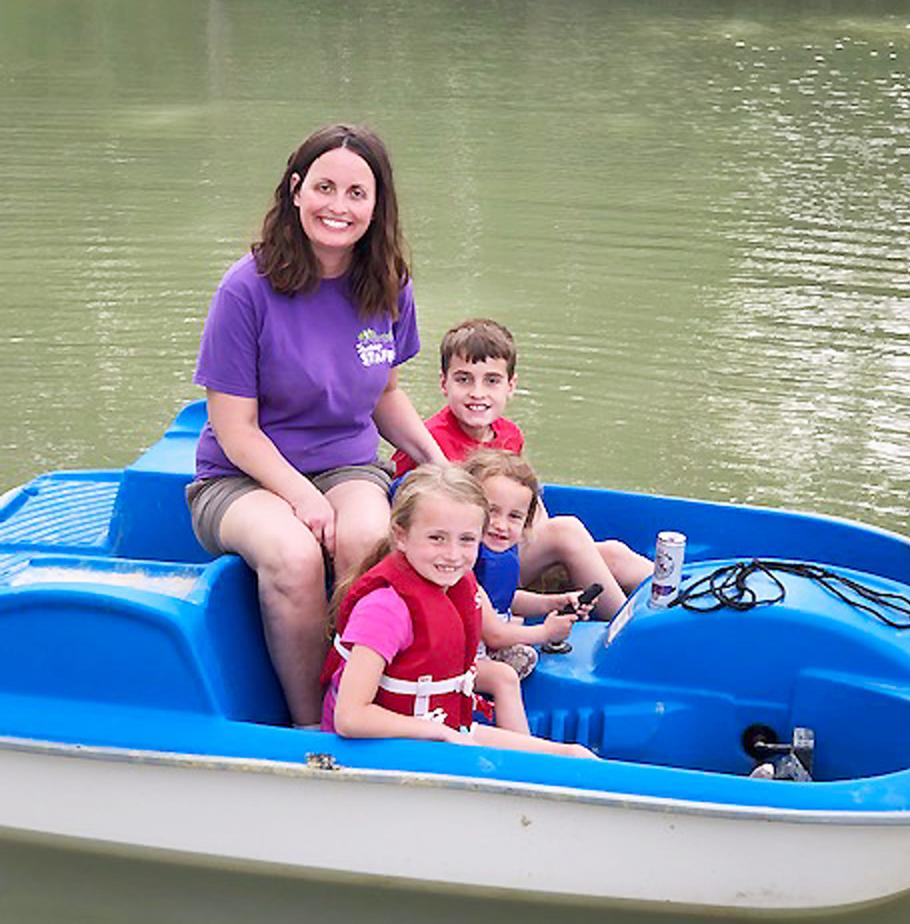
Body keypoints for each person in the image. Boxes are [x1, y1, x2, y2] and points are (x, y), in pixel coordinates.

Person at [186, 125, 446, 727]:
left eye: (357, 192)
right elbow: (234, 428)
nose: (339, 206)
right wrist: (302, 497)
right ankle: (311, 726)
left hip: (347, 464)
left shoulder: (387, 283)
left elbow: (384, 395)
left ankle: (370, 701)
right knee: (295, 555)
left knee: (370, 539)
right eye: (324, 187)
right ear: (296, 190)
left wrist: (441, 468)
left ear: (377, 204)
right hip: (239, 476)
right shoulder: (244, 289)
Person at [319, 465, 594, 758]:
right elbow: (350, 718)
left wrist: (443, 731)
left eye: (466, 540)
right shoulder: (384, 611)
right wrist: (437, 731)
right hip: (378, 752)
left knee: (575, 755)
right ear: (401, 535)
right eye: (437, 538)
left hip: (436, 730)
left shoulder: (459, 584)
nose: (452, 555)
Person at [392, 318, 654, 618]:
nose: (477, 393)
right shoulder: (426, 441)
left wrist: (545, 541)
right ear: (444, 383)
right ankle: (624, 625)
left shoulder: (509, 434)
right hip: (466, 563)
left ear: (510, 386)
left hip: (506, 548)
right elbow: (401, 517)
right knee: (566, 532)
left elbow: (529, 505)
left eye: (491, 380)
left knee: (614, 553)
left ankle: (686, 592)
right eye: (464, 379)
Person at [466, 449, 594, 702]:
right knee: (521, 661)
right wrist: (546, 633)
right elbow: (495, 635)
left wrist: (555, 602)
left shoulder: (499, 554)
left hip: (486, 642)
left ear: (526, 522)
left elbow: (505, 599)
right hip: (456, 659)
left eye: (514, 516)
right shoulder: (461, 565)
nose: (502, 525)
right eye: (492, 511)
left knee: (521, 633)